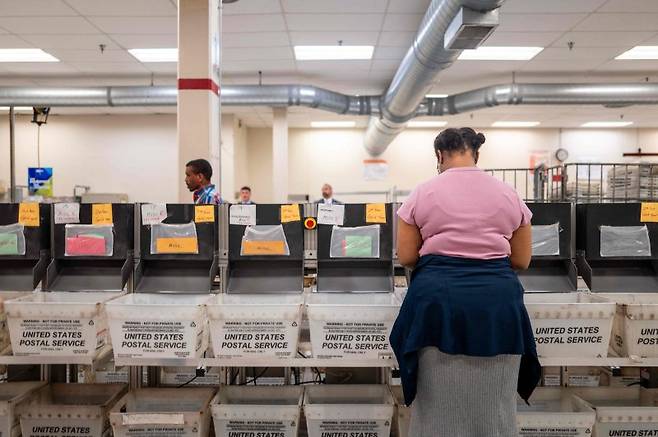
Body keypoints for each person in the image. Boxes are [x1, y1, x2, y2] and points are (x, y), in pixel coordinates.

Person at [390, 127, 541, 436]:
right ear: (476, 154)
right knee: (495, 404)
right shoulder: (507, 192)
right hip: (497, 305)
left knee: (438, 404)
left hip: (438, 304)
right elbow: (521, 260)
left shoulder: (423, 192)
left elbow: (406, 257)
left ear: (439, 155)